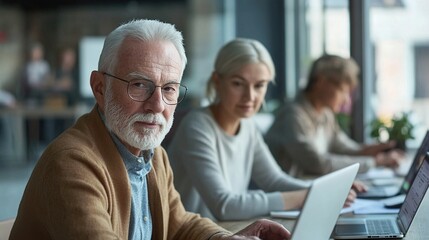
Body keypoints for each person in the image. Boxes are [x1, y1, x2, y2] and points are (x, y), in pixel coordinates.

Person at [9, 20, 291, 240]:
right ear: (99, 88)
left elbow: (179, 224)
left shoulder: (152, 154)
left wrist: (225, 237)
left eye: (169, 88)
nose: (157, 105)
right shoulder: (71, 163)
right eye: (139, 85)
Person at [167, 39, 362, 221]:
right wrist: (305, 196)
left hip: (228, 232)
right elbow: (225, 205)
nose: (250, 96)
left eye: (259, 86)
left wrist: (324, 189)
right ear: (217, 81)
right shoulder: (197, 126)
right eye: (238, 84)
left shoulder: (247, 126)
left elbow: (274, 179)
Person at [264, 54, 405, 177]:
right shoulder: (292, 116)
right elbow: (317, 163)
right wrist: (375, 162)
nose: (346, 100)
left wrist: (369, 151)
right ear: (320, 81)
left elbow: (342, 147)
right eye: (343, 90)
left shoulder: (325, 114)